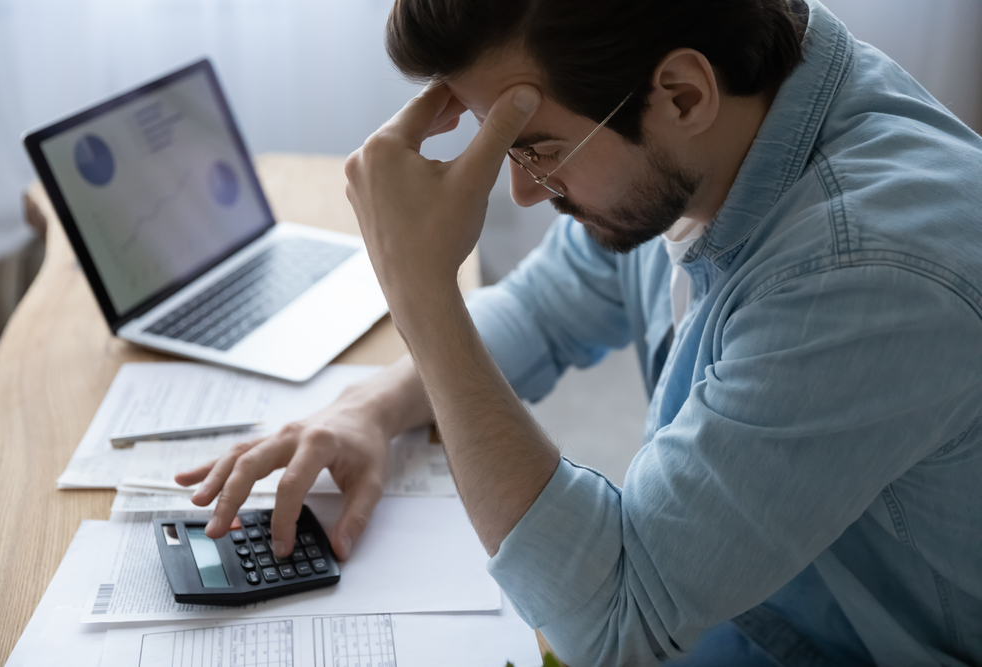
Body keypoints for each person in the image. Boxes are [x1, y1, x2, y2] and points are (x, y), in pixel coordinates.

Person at [176, 0, 982, 663]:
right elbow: (541, 310)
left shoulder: (863, 270)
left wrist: (423, 295)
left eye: (535, 151)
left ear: (682, 95)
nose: (527, 196)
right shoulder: (727, 130)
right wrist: (374, 406)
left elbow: (616, 621)